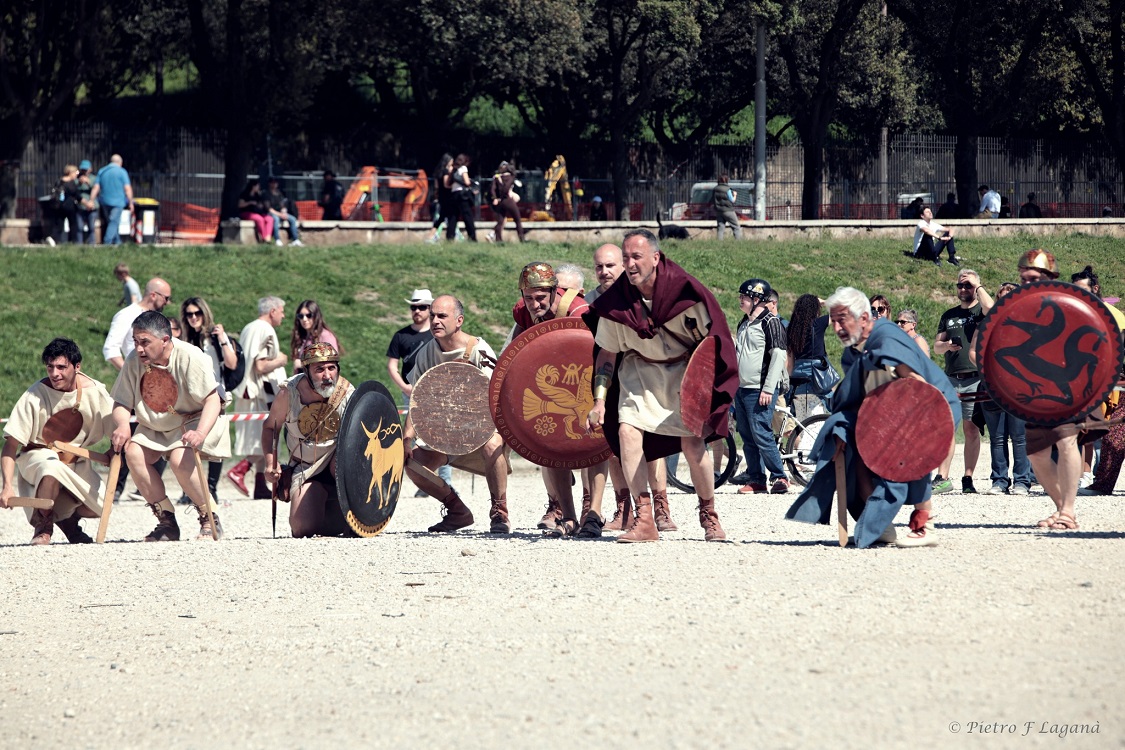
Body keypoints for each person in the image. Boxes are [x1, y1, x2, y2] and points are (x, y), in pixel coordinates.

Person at [584, 229, 738, 543]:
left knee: (693, 445)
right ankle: (644, 519)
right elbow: (607, 355)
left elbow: (712, 343)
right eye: (626, 257)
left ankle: (708, 513)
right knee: (627, 432)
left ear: (655, 258)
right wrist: (599, 401)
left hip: (683, 373)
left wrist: (705, 387)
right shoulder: (617, 302)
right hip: (638, 372)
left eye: (636, 257)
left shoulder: (685, 293)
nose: (630, 264)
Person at [785, 286, 960, 548]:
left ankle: (926, 525)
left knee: (911, 456)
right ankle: (880, 528)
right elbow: (859, 396)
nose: (837, 328)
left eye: (842, 320)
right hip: (885, 414)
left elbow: (916, 383)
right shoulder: (852, 351)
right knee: (853, 450)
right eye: (834, 321)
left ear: (864, 318)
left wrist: (915, 425)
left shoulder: (886, 336)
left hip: (928, 406)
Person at [109, 311, 231, 541]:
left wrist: (200, 432)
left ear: (165, 340)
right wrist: (123, 424)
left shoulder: (190, 355)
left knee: (179, 458)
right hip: (156, 422)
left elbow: (212, 399)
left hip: (195, 418)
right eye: (135, 342)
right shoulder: (134, 360)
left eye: (145, 342)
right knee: (133, 453)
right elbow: (121, 401)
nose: (139, 349)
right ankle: (167, 522)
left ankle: (209, 516)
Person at [504, 262, 599, 536]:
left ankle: (593, 513)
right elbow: (517, 350)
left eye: (541, 298)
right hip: (551, 381)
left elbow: (597, 349)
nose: (535, 304)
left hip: (587, 379)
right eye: (529, 298)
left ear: (554, 292)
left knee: (595, 445)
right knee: (551, 447)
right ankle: (567, 516)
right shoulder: (523, 312)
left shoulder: (580, 311)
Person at [404, 295, 509, 533]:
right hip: (446, 430)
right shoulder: (426, 353)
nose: (435, 321)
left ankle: (500, 513)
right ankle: (457, 511)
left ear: (459, 320)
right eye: (433, 316)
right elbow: (417, 398)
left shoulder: (478, 349)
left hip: (481, 425)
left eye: (442, 316)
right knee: (413, 463)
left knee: (492, 445)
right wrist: (407, 438)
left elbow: (498, 398)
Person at [585, 244, 670, 531]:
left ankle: (661, 507)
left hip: (643, 374)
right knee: (612, 444)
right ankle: (625, 509)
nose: (604, 271)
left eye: (610, 265)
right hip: (607, 375)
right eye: (599, 267)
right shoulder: (589, 302)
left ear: (622, 266)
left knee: (652, 442)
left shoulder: (642, 294)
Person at [1, 338, 115, 545]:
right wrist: (7, 486)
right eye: (50, 367)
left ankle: (66, 519)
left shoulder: (95, 391)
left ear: (77, 367)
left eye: (61, 367)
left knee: (101, 507)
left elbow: (117, 428)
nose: (54, 373)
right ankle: (43, 525)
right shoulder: (35, 394)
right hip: (38, 457)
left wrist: (114, 447)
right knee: (51, 467)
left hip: (75, 460)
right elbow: (10, 445)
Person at [1010, 250, 1093, 530]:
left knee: (1066, 439)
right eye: (1023, 279)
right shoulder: (1018, 306)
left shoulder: (1066, 303)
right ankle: (1061, 508)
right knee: (1036, 453)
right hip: (1035, 386)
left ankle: (1068, 511)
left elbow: (1090, 338)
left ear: (1048, 277)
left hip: (1067, 383)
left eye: (1032, 278)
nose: (1026, 284)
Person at [261, 343, 355, 537]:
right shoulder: (289, 393)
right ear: (307, 372)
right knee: (302, 528)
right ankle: (327, 504)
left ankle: (348, 508)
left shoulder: (346, 393)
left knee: (341, 462)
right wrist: (271, 463)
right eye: (319, 369)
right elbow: (270, 428)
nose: (327, 375)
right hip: (306, 467)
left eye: (331, 368)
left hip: (339, 466)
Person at [966, 282, 1032, 496]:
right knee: (997, 437)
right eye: (1001, 297)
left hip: (1018, 386)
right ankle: (1000, 480)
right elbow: (973, 352)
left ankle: (1022, 481)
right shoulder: (985, 324)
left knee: (1019, 437)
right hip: (991, 385)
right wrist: (987, 368)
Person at [386, 289, 453, 494]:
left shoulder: (437, 334)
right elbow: (392, 366)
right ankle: (424, 481)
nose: (417, 311)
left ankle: (445, 481)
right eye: (413, 307)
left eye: (422, 307)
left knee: (443, 436)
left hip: (436, 391)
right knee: (413, 436)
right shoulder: (401, 335)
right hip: (411, 390)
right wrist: (405, 387)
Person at [933, 269, 993, 494]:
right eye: (960, 285)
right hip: (951, 378)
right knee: (947, 428)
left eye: (968, 285)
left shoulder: (981, 311)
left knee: (971, 429)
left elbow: (992, 308)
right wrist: (947, 346)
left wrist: (978, 286)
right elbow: (936, 347)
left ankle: (968, 478)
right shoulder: (949, 315)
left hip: (975, 378)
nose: (963, 289)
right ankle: (942, 477)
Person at [227, 297, 288, 499]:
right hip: (260, 392)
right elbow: (260, 366)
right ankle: (240, 470)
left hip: (252, 391)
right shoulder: (264, 329)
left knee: (261, 436)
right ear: (272, 311)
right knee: (265, 437)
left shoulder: (250, 327)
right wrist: (281, 360)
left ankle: (260, 485)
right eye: (281, 311)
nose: (283, 316)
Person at [180, 297, 239, 505]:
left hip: (215, 393)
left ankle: (211, 488)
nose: (194, 317)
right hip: (189, 394)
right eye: (189, 314)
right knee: (187, 440)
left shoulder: (214, 337)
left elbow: (232, 363)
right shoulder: (184, 339)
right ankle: (189, 489)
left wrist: (222, 338)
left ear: (204, 314)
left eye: (197, 313)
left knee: (215, 441)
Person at [734, 279, 790, 495]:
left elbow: (778, 356)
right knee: (747, 435)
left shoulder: (771, 322)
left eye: (744, 297)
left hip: (760, 389)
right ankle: (757, 479)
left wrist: (768, 388)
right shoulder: (744, 323)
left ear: (757, 299)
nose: (740, 300)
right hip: (742, 389)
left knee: (761, 432)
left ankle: (779, 477)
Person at [1073, 266, 1125, 497]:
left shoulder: (1111, 314)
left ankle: (1101, 484)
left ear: (1095, 289)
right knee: (1113, 436)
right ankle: (1102, 484)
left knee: (1114, 435)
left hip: (1117, 380)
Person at [103, 277, 173, 371]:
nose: (167, 302)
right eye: (166, 298)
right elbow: (110, 349)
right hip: (139, 373)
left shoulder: (159, 317)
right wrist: (130, 374)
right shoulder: (127, 314)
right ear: (153, 295)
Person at [785, 293, 833, 423]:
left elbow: (790, 363)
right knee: (816, 425)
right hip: (815, 380)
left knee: (803, 425)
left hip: (797, 384)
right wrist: (824, 302)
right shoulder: (818, 324)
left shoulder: (791, 329)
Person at [89, 154, 134, 245]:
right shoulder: (122, 172)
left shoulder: (102, 171)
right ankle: (107, 242)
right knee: (113, 222)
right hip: (118, 202)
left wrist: (91, 200)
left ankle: (117, 242)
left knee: (111, 222)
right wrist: (130, 202)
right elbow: (127, 188)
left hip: (104, 201)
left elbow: (96, 187)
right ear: (120, 162)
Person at [290, 299, 340, 373]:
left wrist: (302, 364)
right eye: (301, 316)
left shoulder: (325, 336)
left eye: (309, 315)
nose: (304, 319)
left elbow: (331, 363)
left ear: (316, 316)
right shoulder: (302, 337)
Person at [489, 161, 525, 242]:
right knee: (517, 219)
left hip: (501, 201)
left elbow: (492, 189)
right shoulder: (510, 177)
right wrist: (505, 193)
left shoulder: (497, 177)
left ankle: (498, 240)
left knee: (500, 221)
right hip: (508, 200)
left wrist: (495, 198)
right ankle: (522, 238)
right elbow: (506, 188)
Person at [446, 154, 477, 242]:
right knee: (467, 216)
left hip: (453, 194)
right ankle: (472, 237)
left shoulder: (453, 170)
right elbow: (467, 182)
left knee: (453, 217)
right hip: (462, 195)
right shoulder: (463, 168)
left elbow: (448, 184)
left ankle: (450, 237)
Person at [264, 176, 302, 246]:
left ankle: (295, 239)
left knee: (292, 219)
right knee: (276, 219)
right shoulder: (266, 194)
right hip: (271, 213)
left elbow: (283, 204)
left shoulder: (279, 193)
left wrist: (284, 212)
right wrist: (279, 214)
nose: (274, 184)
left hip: (281, 213)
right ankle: (277, 239)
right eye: (272, 183)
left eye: (275, 183)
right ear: (269, 184)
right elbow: (269, 208)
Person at [49, 164, 80, 245]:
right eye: (76, 172)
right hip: (70, 207)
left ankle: (54, 239)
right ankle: (73, 242)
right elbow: (77, 195)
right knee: (73, 225)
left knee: (59, 225)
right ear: (70, 172)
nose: (77, 174)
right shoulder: (71, 183)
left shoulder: (59, 181)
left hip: (59, 206)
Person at [429, 154, 454, 241]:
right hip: (447, 197)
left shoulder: (438, 172)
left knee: (441, 218)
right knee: (449, 217)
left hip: (441, 196)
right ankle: (449, 236)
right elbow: (446, 184)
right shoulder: (445, 171)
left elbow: (437, 186)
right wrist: (454, 186)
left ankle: (431, 235)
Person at [713, 174, 742, 240]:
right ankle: (739, 242)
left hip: (719, 211)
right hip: (728, 211)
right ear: (726, 180)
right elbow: (732, 200)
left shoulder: (715, 189)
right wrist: (735, 195)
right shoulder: (727, 189)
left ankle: (719, 243)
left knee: (720, 227)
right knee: (736, 226)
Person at [76, 160, 97, 244]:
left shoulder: (94, 178)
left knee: (91, 227)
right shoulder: (77, 178)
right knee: (79, 227)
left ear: (90, 169)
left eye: (86, 169)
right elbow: (74, 191)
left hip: (92, 206)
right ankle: (79, 244)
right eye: (83, 169)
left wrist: (89, 183)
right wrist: (79, 183)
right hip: (80, 206)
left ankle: (92, 243)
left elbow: (98, 190)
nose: (84, 171)